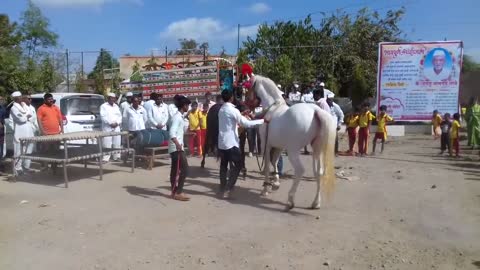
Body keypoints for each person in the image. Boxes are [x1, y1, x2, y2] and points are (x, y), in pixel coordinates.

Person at [218, 90, 264, 199]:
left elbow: (231, 120)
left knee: (223, 165)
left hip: (221, 142)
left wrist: (241, 114)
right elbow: (246, 123)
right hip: (231, 143)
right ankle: (228, 189)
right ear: (231, 98)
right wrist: (263, 121)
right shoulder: (233, 110)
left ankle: (222, 186)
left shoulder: (221, 109)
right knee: (238, 165)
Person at [168, 96, 191, 201]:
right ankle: (178, 192)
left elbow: (179, 132)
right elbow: (172, 133)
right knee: (184, 169)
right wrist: (177, 144)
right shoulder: (177, 117)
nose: (188, 107)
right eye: (188, 105)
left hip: (176, 146)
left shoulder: (179, 116)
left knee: (174, 170)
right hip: (176, 148)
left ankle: (174, 191)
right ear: (184, 106)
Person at [10, 91, 34, 175]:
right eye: (20, 97)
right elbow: (20, 119)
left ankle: (26, 167)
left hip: (28, 130)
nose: (21, 98)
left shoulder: (25, 106)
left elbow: (30, 115)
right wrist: (26, 116)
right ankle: (17, 168)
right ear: (16, 98)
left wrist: (26, 116)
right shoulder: (14, 108)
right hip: (20, 131)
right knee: (18, 151)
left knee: (27, 150)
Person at [100, 93, 122, 162]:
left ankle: (117, 157)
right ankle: (105, 158)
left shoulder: (116, 106)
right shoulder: (103, 106)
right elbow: (103, 116)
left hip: (116, 126)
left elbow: (120, 116)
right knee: (107, 143)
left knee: (117, 142)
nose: (113, 99)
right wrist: (110, 123)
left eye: (114, 98)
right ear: (108, 98)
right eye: (111, 98)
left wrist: (117, 123)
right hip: (107, 127)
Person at [0, 95, 6, 165]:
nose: (1, 101)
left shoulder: (3, 109)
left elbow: (3, 119)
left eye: (1, 99)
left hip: (1, 131)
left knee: (1, 149)